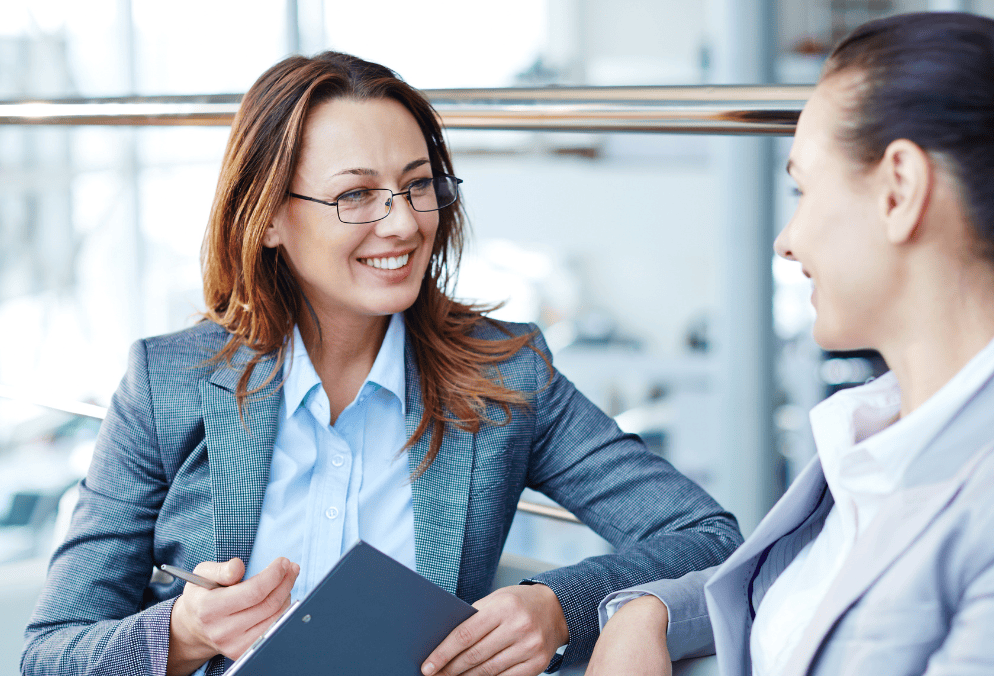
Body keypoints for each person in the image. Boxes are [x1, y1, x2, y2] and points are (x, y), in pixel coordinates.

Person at [21, 52, 742, 676]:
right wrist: (182, 634)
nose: (402, 222)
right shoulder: (166, 384)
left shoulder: (507, 376)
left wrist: (562, 605)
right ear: (267, 217)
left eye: (418, 184)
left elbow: (710, 539)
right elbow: (51, 655)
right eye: (356, 194)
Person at [587, 11, 994, 676]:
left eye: (802, 189)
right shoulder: (879, 434)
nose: (787, 239)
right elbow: (811, 594)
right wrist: (650, 613)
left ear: (899, 190)